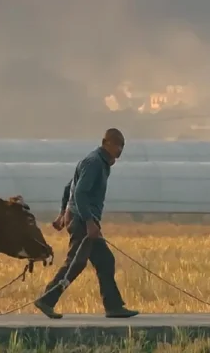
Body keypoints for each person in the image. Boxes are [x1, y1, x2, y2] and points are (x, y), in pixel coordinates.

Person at [35, 128, 137, 319]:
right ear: (105, 143)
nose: (119, 149)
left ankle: (113, 306)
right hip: (82, 220)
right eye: (116, 144)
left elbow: (69, 187)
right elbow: (80, 192)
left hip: (82, 218)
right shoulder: (94, 163)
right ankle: (47, 299)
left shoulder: (100, 163)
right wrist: (89, 222)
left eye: (122, 145)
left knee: (105, 260)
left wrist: (62, 214)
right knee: (76, 262)